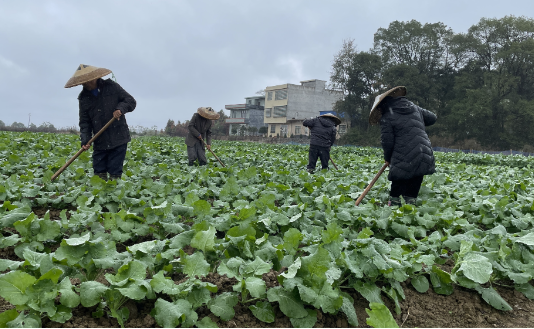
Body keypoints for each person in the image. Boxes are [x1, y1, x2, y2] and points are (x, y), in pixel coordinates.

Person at [64, 64, 136, 181]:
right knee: (99, 172)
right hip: (100, 140)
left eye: (87, 81)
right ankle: (100, 194)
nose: (85, 84)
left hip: (118, 137)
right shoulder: (83, 98)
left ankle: (114, 193)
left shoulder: (111, 87)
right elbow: (84, 122)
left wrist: (120, 109)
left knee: (115, 172)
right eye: (82, 82)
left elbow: (130, 101)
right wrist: (85, 139)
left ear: (94, 78)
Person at [368, 86, 437, 206]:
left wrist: (388, 158)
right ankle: (410, 207)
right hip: (424, 149)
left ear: (383, 105)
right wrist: (416, 117)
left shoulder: (387, 117)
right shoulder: (415, 108)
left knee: (399, 178)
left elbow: (387, 141)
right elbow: (432, 118)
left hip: (403, 152)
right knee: (416, 177)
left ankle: (394, 205)